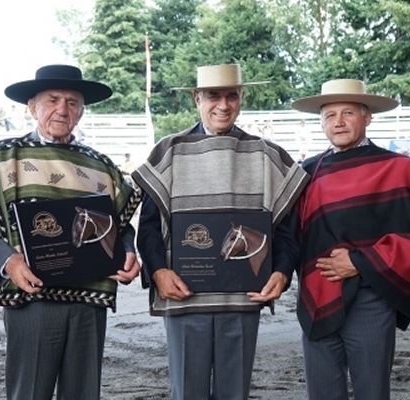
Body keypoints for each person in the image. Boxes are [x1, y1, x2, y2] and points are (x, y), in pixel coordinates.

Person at [131, 64, 309, 400]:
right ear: (197, 98)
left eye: (232, 95)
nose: (223, 105)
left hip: (241, 298)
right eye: (213, 95)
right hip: (183, 297)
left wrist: (283, 272)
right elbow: (150, 225)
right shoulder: (169, 151)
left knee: (235, 394)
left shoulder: (266, 155)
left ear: (241, 98)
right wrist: (158, 271)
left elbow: (285, 229)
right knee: (188, 394)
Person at [0, 64, 142, 400]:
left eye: (73, 102)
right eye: (53, 100)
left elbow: (119, 224)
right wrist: (9, 262)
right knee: (30, 392)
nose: (63, 109)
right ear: (32, 106)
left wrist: (128, 252)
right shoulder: (0, 159)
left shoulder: (101, 166)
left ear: (82, 111)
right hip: (32, 298)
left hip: (89, 301)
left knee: (83, 393)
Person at [290, 78, 410, 400]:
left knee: (372, 392)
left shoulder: (398, 168)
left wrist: (359, 261)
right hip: (317, 295)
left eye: (348, 112)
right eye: (330, 115)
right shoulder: (306, 172)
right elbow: (287, 235)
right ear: (321, 122)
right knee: (321, 394)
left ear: (367, 116)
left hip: (371, 299)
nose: (339, 122)